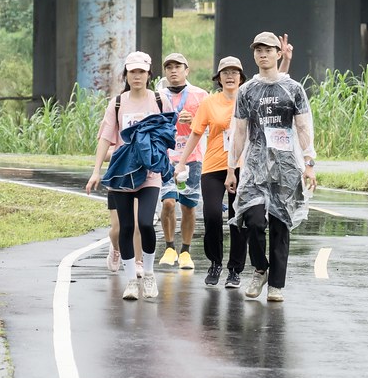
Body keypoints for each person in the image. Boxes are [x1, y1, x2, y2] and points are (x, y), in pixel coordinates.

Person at [225, 32, 317, 303]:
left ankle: (276, 284)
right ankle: (260, 268)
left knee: (280, 224)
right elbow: (239, 131)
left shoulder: (294, 89)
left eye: (268, 49)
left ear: (279, 54)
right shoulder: (246, 91)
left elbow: (303, 128)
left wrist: (309, 163)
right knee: (251, 220)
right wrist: (232, 167)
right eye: (258, 50)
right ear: (254, 54)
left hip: (286, 165)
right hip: (254, 166)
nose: (263, 54)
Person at [86, 51, 174, 301]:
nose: (137, 76)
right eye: (132, 72)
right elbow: (105, 137)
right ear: (126, 75)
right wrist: (95, 171)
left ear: (149, 74)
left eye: (141, 72)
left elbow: (169, 132)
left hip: (149, 174)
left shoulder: (159, 100)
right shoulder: (117, 103)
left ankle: (147, 273)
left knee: (145, 223)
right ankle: (130, 282)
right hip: (122, 173)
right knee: (125, 227)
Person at [174, 56, 247, 289]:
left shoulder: (248, 100)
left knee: (238, 219)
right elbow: (196, 133)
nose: (230, 76)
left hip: (243, 166)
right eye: (225, 72)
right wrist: (182, 162)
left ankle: (235, 270)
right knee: (213, 214)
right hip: (214, 166)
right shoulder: (209, 102)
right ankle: (215, 262)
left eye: (234, 72)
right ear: (219, 78)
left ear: (241, 77)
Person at [156, 53, 208, 271]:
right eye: (169, 67)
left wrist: (194, 120)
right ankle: (169, 247)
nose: (173, 71)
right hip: (166, 158)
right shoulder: (158, 96)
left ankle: (185, 251)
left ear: (187, 70)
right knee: (168, 202)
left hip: (192, 158)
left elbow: (211, 125)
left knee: (188, 206)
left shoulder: (200, 95)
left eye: (178, 67)